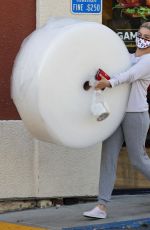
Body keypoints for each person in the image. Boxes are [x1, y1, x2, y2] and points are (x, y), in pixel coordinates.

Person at [83, 21, 150, 219]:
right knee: (108, 157)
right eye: (141, 35)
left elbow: (128, 76)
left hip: (135, 114)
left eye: (147, 38)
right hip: (116, 113)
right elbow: (115, 71)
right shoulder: (127, 57)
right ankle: (101, 206)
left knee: (138, 159)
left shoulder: (147, 62)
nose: (142, 40)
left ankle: (101, 206)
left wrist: (109, 82)